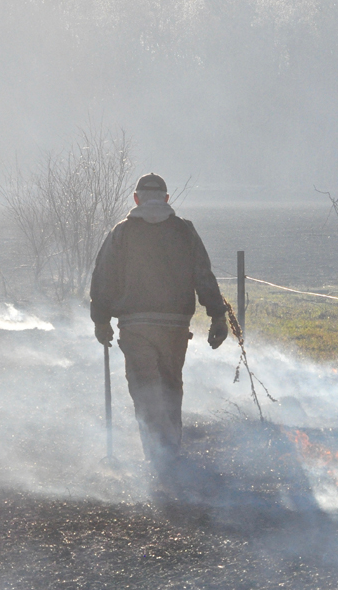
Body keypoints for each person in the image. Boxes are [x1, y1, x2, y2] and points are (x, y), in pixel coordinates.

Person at [89, 172, 228, 472]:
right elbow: (203, 275)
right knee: (170, 386)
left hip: (135, 325)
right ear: (166, 199)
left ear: (136, 199)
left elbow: (103, 279)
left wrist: (101, 321)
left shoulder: (121, 233)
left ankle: (157, 456)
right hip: (175, 326)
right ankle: (171, 453)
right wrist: (217, 315)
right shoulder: (185, 231)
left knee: (145, 388)